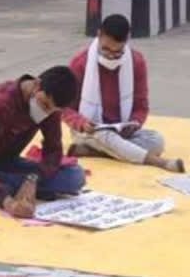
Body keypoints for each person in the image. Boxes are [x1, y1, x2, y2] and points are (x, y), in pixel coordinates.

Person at [0, 66, 87, 218]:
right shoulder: (1, 103)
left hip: (9, 163)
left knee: (75, 176)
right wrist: (7, 201)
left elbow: (53, 152)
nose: (46, 113)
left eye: (52, 110)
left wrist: (32, 180)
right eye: (45, 105)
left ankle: (4, 185)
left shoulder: (51, 109)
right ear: (37, 85)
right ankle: (4, 187)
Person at [63, 14, 184, 173]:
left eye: (117, 52)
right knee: (104, 135)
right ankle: (159, 162)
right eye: (105, 49)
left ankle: (95, 152)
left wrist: (134, 123)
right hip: (89, 132)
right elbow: (64, 108)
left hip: (121, 131)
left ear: (126, 40)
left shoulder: (136, 62)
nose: (110, 56)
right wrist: (82, 123)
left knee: (157, 140)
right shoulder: (80, 62)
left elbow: (141, 105)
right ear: (99, 35)